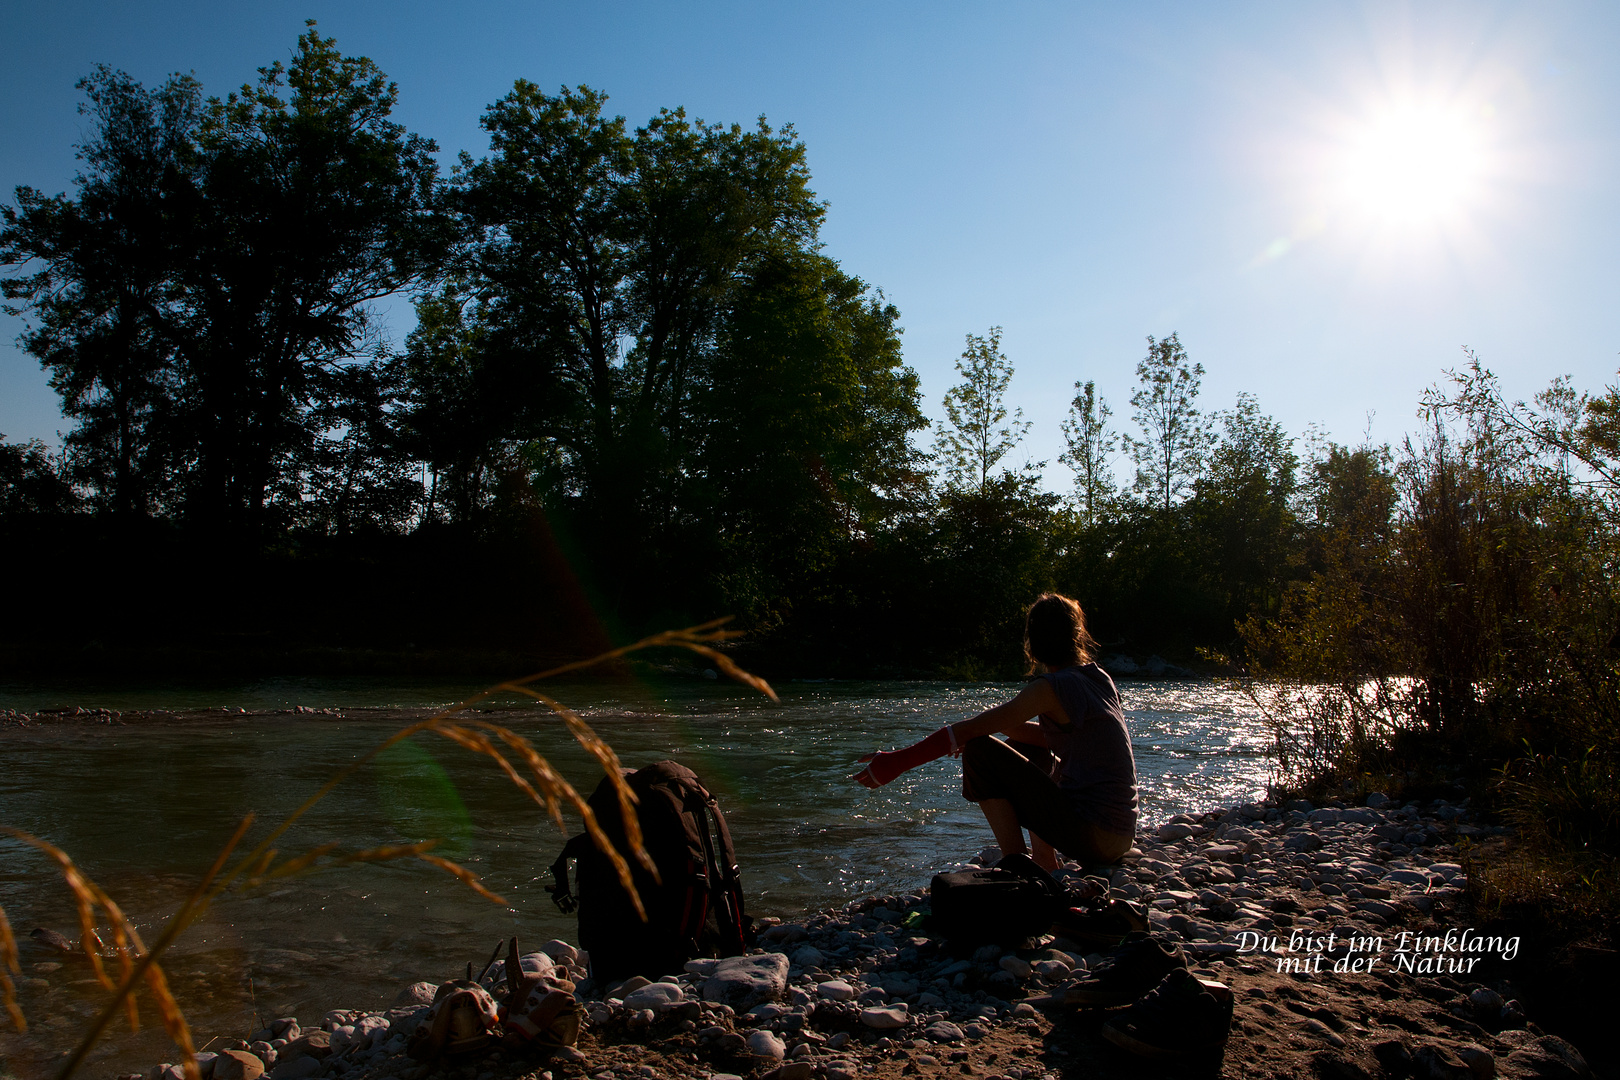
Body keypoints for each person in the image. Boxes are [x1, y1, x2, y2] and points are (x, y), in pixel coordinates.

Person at [854, 593, 1137, 871]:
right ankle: (1043, 861)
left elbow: (966, 732)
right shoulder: (1099, 678)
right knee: (1015, 746)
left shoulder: (1050, 687)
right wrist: (991, 735)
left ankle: (1018, 867)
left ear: (1033, 642)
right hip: (1119, 834)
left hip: (1092, 834)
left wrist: (897, 762)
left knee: (978, 752)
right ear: (1077, 635)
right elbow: (1049, 739)